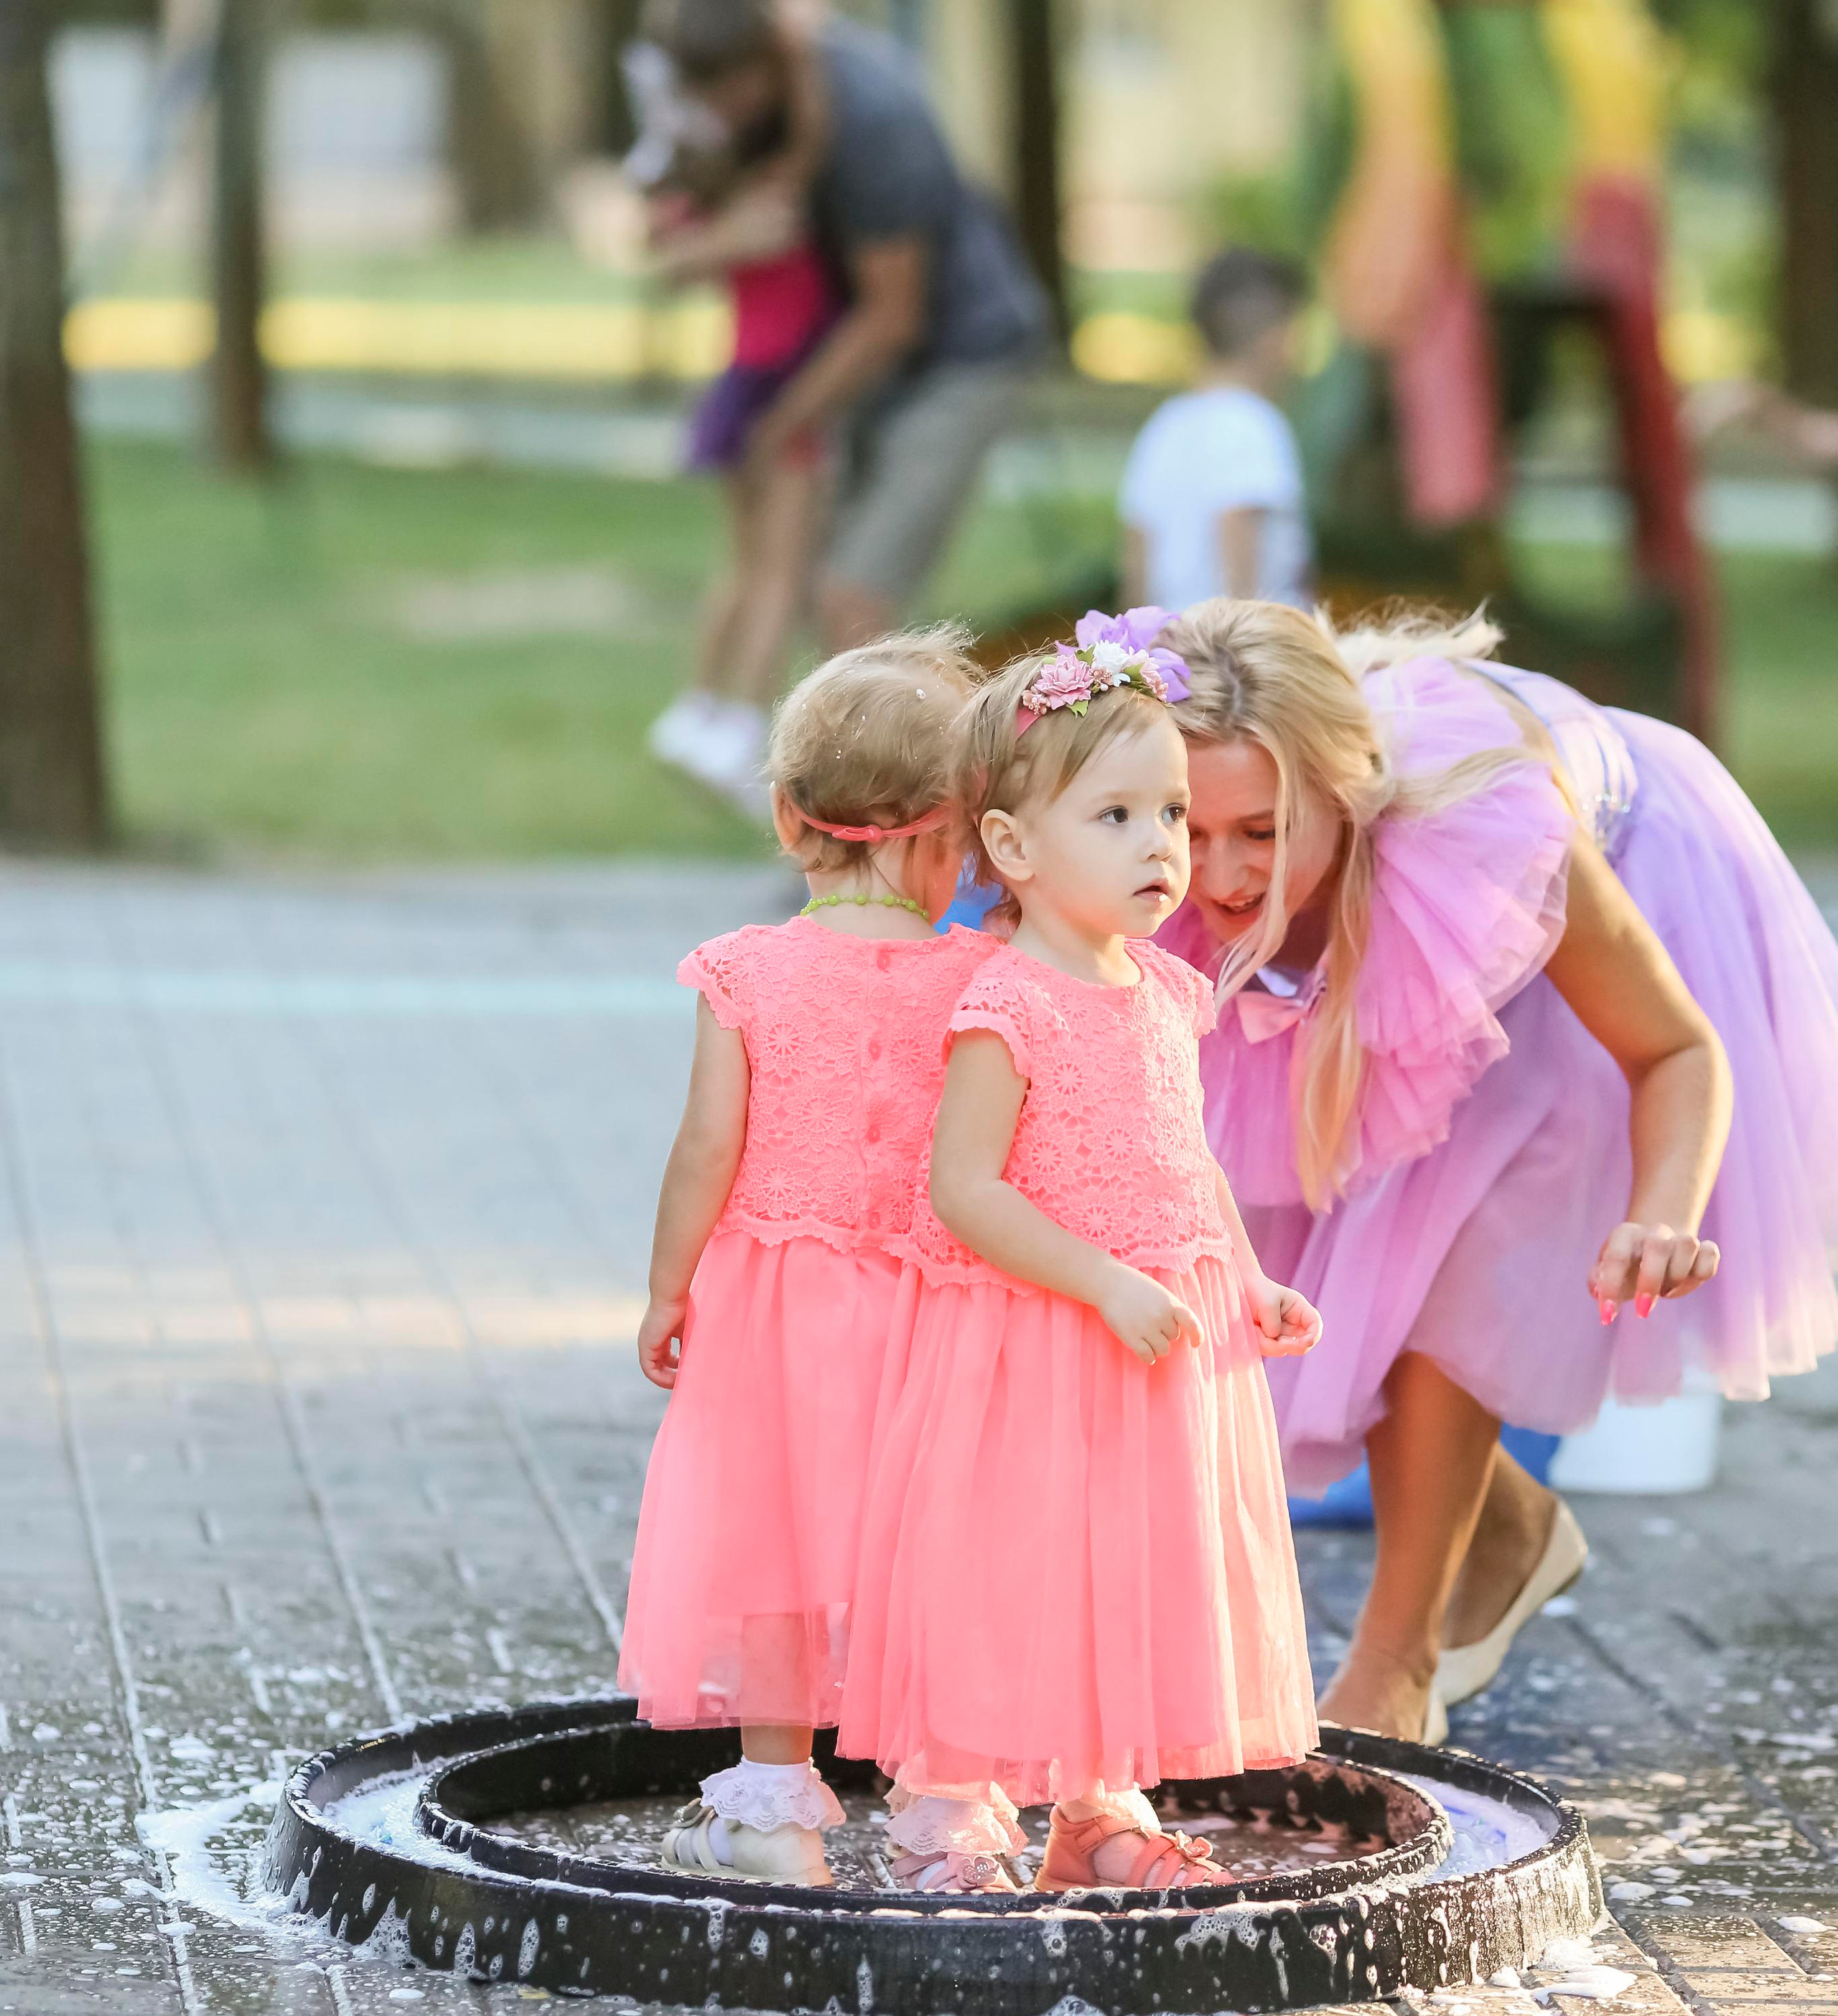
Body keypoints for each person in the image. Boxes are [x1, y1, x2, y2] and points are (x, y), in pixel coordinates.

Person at [1158, 599, 1838, 1745]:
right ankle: (1508, 1528)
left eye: (1264, 833)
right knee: (1286, 1262)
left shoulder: (1477, 835)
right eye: (1191, 825)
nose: (1219, 876)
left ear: (1346, 794)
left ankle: (1395, 1661)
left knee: (1438, 1242)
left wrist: (1660, 1213)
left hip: (1628, 868)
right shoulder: (1155, 848)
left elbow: (1676, 1048)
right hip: (1405, 914)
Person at [839, 615, 1321, 1895]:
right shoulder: (1005, 1001)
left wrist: (1246, 1269)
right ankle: (951, 1813)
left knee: (1128, 1564)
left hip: (1158, 1332)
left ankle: (1097, 1801)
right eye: (1117, 818)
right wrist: (1102, 1281)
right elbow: (963, 1188)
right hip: (1039, 1333)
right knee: (1011, 1563)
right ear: (1012, 846)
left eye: (1169, 814)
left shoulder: (1166, 992)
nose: (1162, 846)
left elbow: (1188, 1153)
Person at [619, 627, 989, 1884]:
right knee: (936, 1545)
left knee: (773, 1546)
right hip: (938, 1304)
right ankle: (945, 1808)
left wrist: (671, 1285)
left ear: (789, 819)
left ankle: (776, 1806)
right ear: (964, 839)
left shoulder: (747, 973)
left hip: (776, 1306)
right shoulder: (988, 981)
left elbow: (704, 1146)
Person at [635, 0, 1048, 680]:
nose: (712, 117)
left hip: (961, 354)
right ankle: (844, 773)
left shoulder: (875, 120)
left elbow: (894, 317)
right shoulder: (738, 89)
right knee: (797, 580)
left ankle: (886, 786)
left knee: (852, 595)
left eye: (724, 96)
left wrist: (777, 425)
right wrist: (724, 238)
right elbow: (664, 252)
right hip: (858, 359)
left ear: (769, 63)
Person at [627, 6, 841, 814]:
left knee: (745, 566)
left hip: (742, 379)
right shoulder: (771, 197)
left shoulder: (709, 208)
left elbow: (657, 235)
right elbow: (812, 137)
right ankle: (743, 729)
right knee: (781, 576)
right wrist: (805, 51)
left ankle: (699, 707)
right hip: (786, 386)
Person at [1120, 248, 1312, 614]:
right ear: (1274, 340)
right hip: (1234, 654)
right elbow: (1236, 523)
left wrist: (1132, 657)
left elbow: (1137, 558)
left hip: (1171, 654)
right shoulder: (1254, 424)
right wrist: (1243, 653)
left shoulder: (1164, 426)